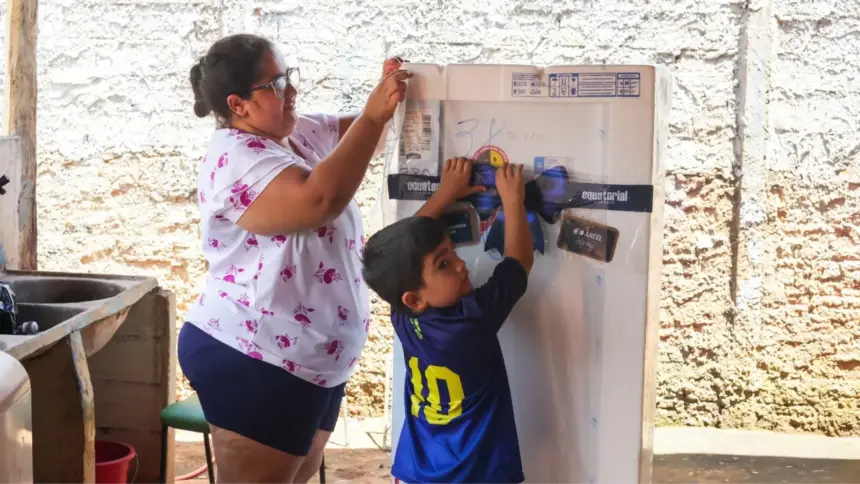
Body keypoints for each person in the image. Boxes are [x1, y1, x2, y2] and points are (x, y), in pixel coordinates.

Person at [177, 33, 411, 482]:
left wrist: (389, 101)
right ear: (238, 104)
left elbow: (368, 137)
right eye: (277, 83)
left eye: (289, 77)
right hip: (256, 357)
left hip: (311, 360)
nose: (292, 91)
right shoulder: (235, 156)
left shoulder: (296, 134)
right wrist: (373, 114)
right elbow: (320, 198)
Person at [362, 157, 534, 483]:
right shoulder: (470, 322)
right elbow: (518, 263)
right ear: (414, 297)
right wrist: (513, 200)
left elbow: (407, 253)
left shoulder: (403, 312)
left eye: (452, 252)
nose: (459, 265)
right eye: (444, 265)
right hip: (475, 473)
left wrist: (445, 192)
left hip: (417, 468)